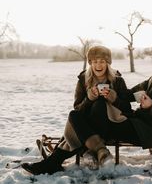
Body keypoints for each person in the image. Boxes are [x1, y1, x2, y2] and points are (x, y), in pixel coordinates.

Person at [21, 46, 132, 175]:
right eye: (94, 61)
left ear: (108, 63)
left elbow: (127, 109)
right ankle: (100, 151)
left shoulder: (117, 80)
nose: (98, 65)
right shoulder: (83, 80)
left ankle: (56, 161)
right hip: (90, 128)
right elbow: (78, 108)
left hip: (110, 125)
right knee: (73, 115)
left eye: (102, 61)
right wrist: (89, 98)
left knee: (98, 106)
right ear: (90, 63)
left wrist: (114, 98)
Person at [86, 39, 152, 150]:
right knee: (94, 114)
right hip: (137, 122)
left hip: (148, 133)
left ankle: (93, 151)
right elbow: (129, 94)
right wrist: (111, 86)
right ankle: (92, 149)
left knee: (93, 122)